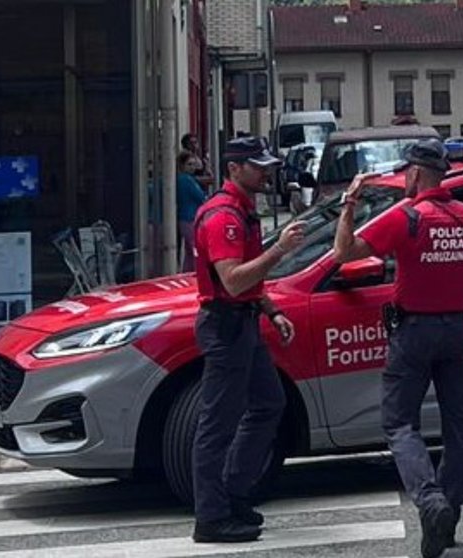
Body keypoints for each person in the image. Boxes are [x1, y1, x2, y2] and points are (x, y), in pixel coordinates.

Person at [332, 139, 463, 558]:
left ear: (413, 175)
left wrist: (349, 203)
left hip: (413, 332)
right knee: (457, 428)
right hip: (458, 332)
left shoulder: (406, 217)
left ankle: (430, 502)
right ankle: (448, 517)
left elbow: (343, 252)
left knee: (398, 424)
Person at [190, 136, 307, 544]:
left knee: (268, 404)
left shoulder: (240, 210)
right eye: (257, 166)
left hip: (242, 321)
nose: (266, 172)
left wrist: (271, 310)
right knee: (216, 425)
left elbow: (247, 283)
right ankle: (211, 517)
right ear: (234, 169)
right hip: (227, 326)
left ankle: (234, 493)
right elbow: (233, 279)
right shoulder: (224, 218)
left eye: (266, 165)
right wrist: (280, 251)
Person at [177, 152, 208, 272]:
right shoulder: (187, 180)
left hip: (184, 218)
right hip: (191, 218)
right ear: (182, 165)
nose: (192, 167)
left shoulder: (181, 179)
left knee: (189, 250)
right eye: (189, 164)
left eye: (193, 164)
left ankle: (188, 271)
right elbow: (200, 197)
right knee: (195, 248)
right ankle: (197, 272)